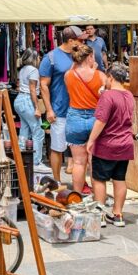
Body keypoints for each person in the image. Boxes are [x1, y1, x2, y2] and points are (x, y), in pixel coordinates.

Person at [86, 62, 134, 226]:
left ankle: (99, 214)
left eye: (106, 77)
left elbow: (101, 121)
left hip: (107, 144)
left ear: (111, 77)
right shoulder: (129, 95)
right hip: (125, 143)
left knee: (99, 179)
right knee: (119, 179)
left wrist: (91, 140)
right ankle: (118, 214)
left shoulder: (108, 96)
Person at [39, 26, 84, 182]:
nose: (83, 43)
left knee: (80, 150)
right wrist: (49, 109)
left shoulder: (79, 56)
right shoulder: (51, 58)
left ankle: (80, 182)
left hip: (79, 110)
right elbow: (43, 84)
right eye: (80, 40)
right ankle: (57, 181)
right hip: (60, 110)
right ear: (70, 41)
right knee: (57, 148)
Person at [64, 44, 105, 196]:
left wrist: (78, 62)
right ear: (89, 57)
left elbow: (72, 69)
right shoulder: (100, 76)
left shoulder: (69, 75)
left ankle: (77, 195)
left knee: (78, 162)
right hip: (96, 119)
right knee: (94, 161)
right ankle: (97, 195)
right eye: (92, 56)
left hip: (75, 118)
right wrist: (93, 69)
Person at [13, 49, 46, 169]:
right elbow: (32, 89)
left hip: (19, 100)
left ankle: (22, 157)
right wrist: (37, 107)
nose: (39, 60)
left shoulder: (22, 69)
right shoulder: (33, 70)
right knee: (39, 131)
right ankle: (36, 161)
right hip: (28, 101)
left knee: (24, 130)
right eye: (38, 58)